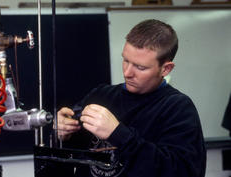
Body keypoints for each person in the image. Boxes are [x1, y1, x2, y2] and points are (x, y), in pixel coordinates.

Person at [57, 19, 206, 177]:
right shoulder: (101, 95)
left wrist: (118, 134)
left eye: (140, 67)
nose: (127, 73)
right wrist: (63, 134)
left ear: (166, 69)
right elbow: (71, 155)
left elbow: (183, 172)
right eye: (125, 60)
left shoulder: (177, 108)